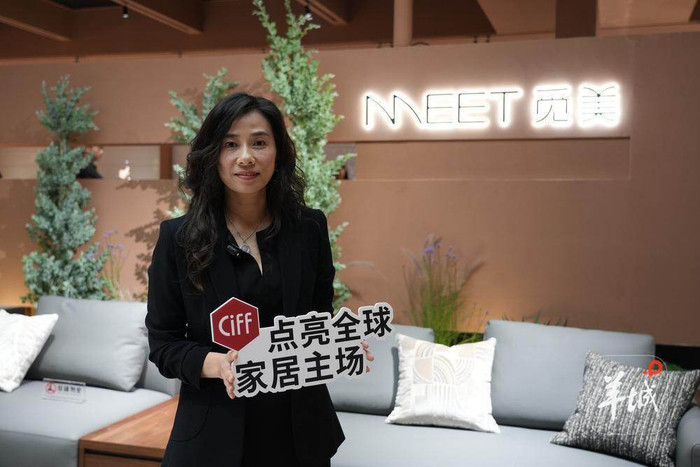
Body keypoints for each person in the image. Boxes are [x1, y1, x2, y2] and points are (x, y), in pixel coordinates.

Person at [145, 92, 372, 467]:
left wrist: (336, 341)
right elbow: (164, 344)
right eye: (231, 144)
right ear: (213, 155)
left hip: (299, 434)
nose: (246, 157)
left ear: (278, 152)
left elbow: (316, 317)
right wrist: (218, 364)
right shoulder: (179, 238)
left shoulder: (309, 228)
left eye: (260, 143)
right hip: (214, 434)